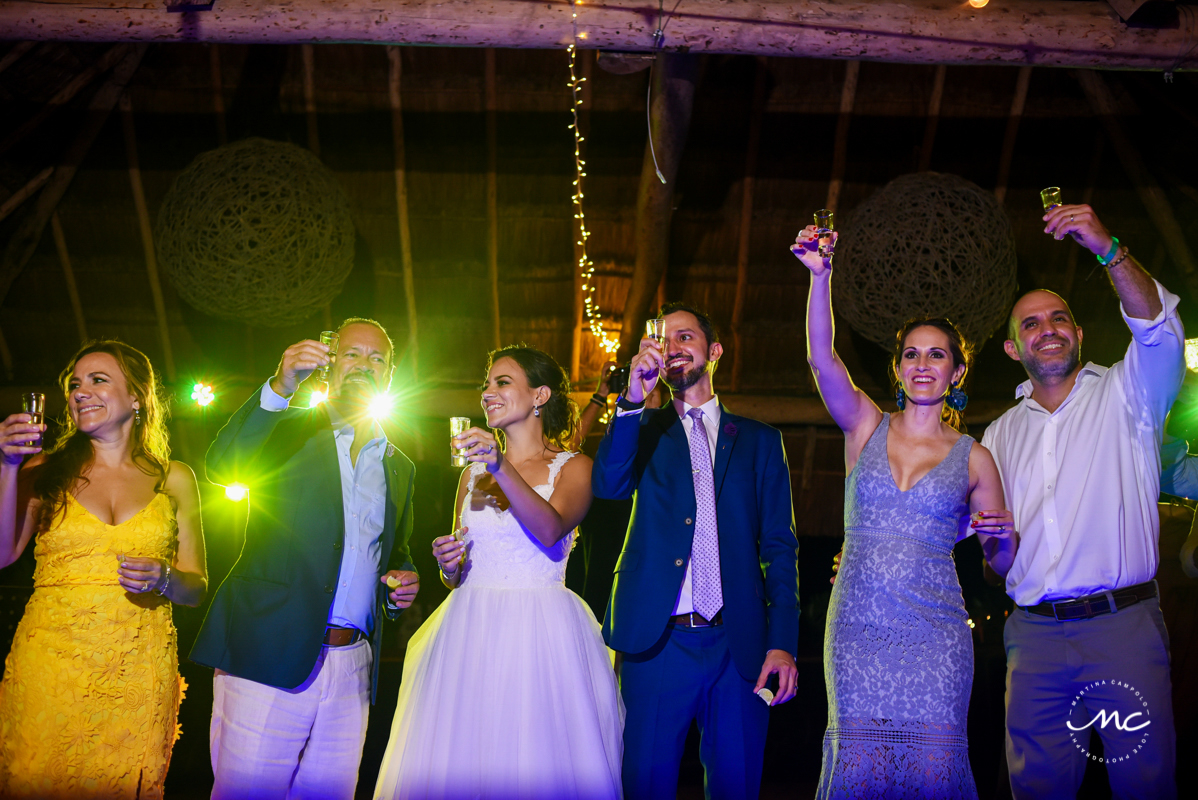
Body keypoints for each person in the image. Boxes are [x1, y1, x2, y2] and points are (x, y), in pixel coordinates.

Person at [794, 226, 1016, 799]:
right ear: (897, 369)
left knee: (931, 774)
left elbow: (1003, 564)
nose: (922, 364)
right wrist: (821, 278)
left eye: (936, 355)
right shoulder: (865, 426)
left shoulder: (976, 458)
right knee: (859, 769)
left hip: (936, 634)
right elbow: (823, 361)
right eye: (911, 354)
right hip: (858, 628)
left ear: (957, 373)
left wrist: (1001, 537)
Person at [981, 203, 1181, 798]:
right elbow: (998, 558)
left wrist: (1106, 245)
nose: (1048, 329)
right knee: (1036, 791)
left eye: (1059, 318)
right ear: (1014, 349)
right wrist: (996, 551)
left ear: (1078, 331)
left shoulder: (1130, 391)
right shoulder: (996, 436)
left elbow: (1155, 324)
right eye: (1032, 324)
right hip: (1034, 639)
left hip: (1123, 631)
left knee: (1145, 787)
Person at [373, 344, 623, 800]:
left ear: (540, 395)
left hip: (540, 634)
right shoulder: (469, 476)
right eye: (485, 384)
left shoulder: (575, 467)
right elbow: (458, 572)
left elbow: (549, 530)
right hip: (469, 632)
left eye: (502, 382)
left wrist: (499, 465)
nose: (487, 392)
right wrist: (450, 564)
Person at [191, 318, 420, 800]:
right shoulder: (287, 429)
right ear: (329, 364)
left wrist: (405, 581)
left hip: (353, 667)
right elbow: (222, 465)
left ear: (390, 374)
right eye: (352, 354)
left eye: (376, 358)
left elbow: (395, 555)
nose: (363, 365)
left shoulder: (399, 465)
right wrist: (280, 386)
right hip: (268, 651)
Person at [592, 302, 799, 800]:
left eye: (685, 337)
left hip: (740, 644)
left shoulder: (760, 441)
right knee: (646, 783)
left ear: (715, 351)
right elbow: (609, 485)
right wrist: (632, 399)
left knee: (737, 786)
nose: (673, 347)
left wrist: (783, 640)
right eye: (663, 339)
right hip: (658, 642)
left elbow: (779, 547)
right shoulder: (641, 428)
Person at [0, 340, 207, 799]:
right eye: (74, 384)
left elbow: (196, 588)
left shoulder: (174, 478)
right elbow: (3, 554)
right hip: (52, 666)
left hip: (138, 669)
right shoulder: (43, 469)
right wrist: (7, 467)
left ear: (136, 397)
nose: (80, 391)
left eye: (98, 380)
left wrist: (164, 579)